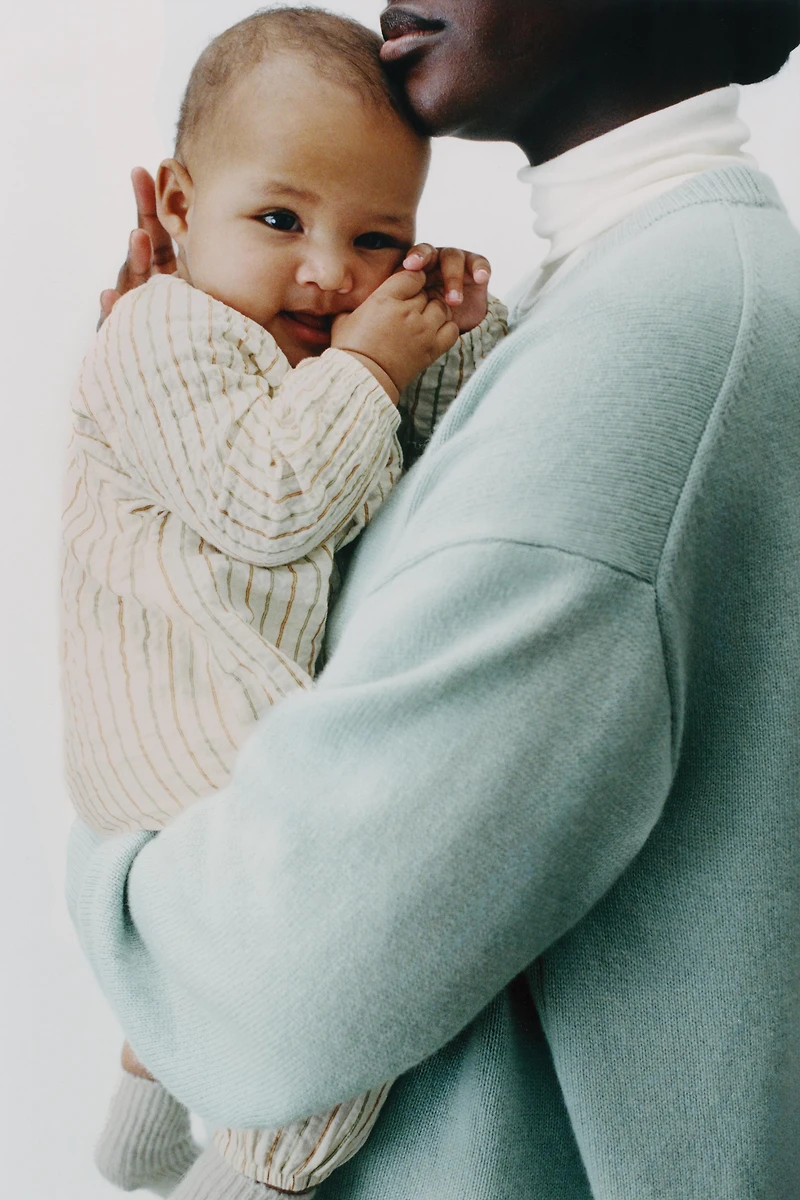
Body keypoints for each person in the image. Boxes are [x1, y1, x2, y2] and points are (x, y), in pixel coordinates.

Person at [68, 2, 800, 1196]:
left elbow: (282, 977)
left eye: (370, 232)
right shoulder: (626, 297)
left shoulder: (647, 341)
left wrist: (109, 859)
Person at [62, 8, 504, 1198]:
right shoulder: (163, 333)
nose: (328, 271)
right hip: (174, 734)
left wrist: (456, 332)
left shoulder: (315, 348)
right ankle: (260, 1179)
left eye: (379, 237)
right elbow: (278, 500)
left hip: (234, 724)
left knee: (241, 965)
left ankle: (145, 1099)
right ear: (173, 212)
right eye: (278, 220)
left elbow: (439, 448)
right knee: (348, 970)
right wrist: (376, 358)